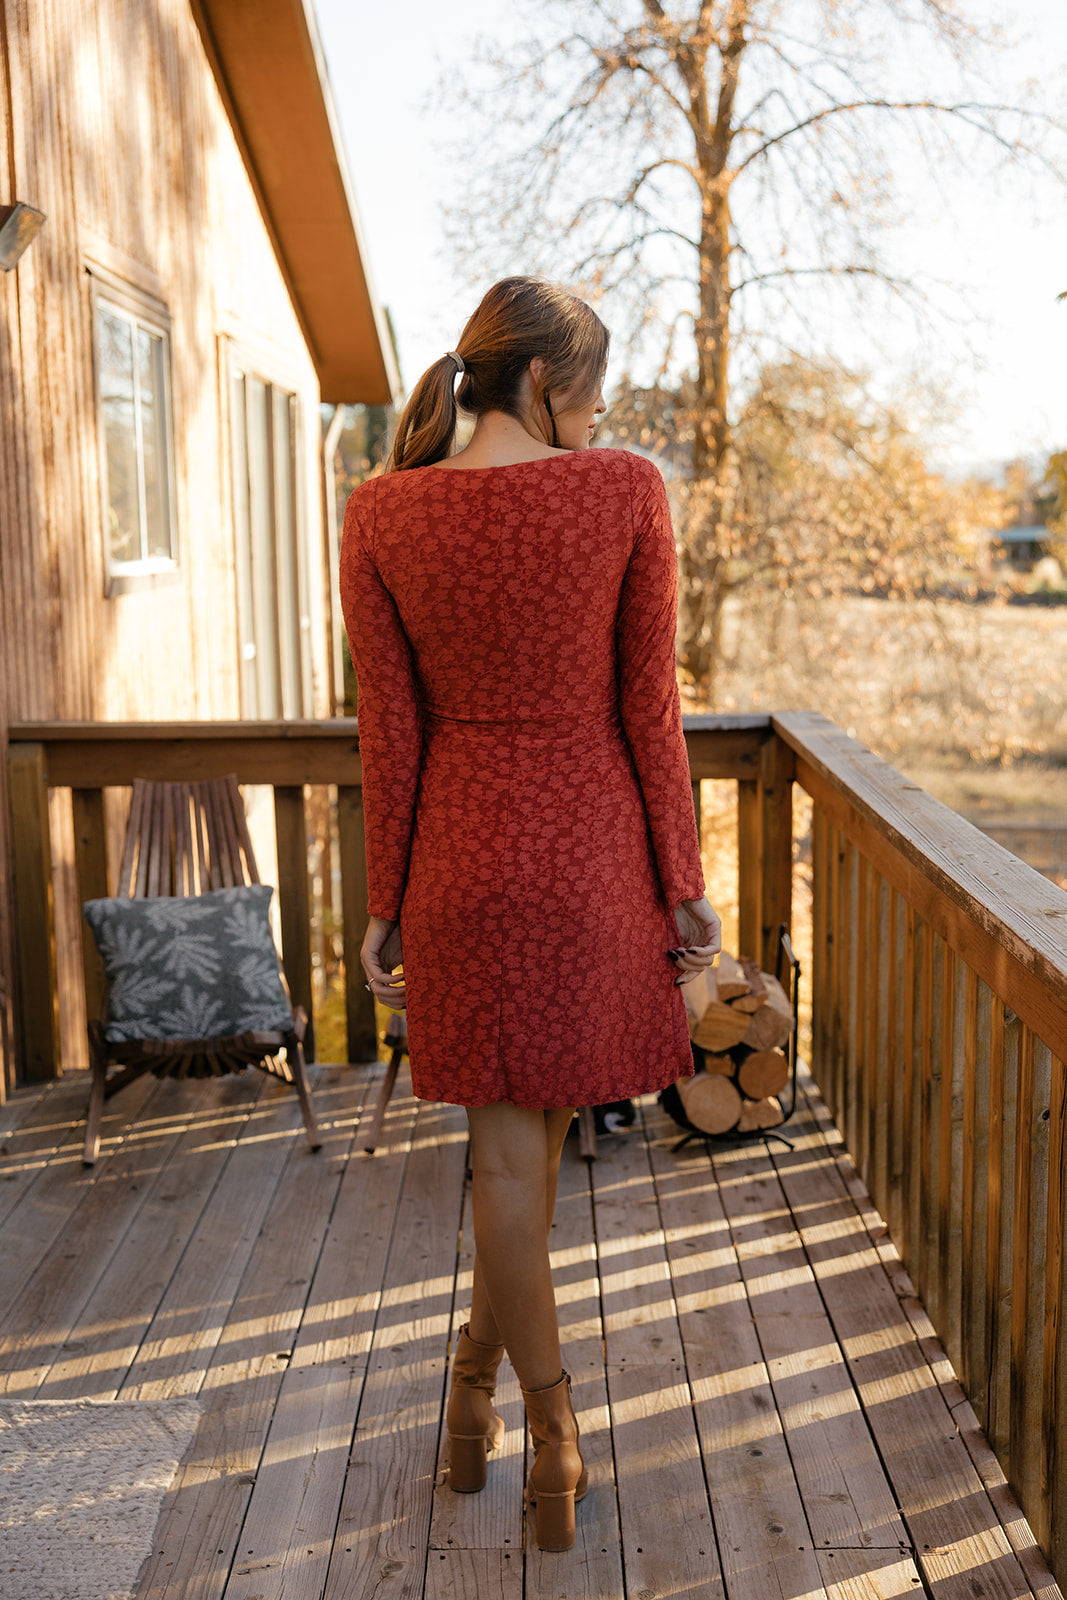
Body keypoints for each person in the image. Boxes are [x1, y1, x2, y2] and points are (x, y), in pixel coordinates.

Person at [339, 276, 721, 1553]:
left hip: (459, 859)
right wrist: (682, 880)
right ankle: (554, 1434)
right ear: (548, 381)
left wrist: (386, 902)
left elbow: (389, 731)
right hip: (589, 857)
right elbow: (648, 709)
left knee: (516, 1157)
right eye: (594, 393)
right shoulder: (623, 490)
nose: (599, 416)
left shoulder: (380, 510)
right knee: (528, 1157)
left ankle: (472, 1398)